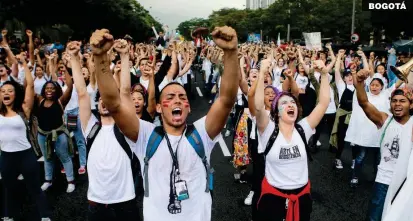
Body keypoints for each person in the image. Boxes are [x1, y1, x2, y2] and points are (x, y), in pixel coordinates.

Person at [90, 26, 239, 221]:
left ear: (189, 108)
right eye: (170, 97)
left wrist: (231, 52)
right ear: (159, 108)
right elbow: (114, 104)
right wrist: (101, 57)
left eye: (182, 97)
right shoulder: (145, 135)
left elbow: (226, 99)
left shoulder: (202, 133)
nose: (177, 100)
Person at [67, 40, 140, 221]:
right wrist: (75, 58)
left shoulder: (126, 128)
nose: (104, 102)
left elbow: (124, 91)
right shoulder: (91, 127)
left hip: (126, 201)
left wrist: (124, 56)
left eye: (108, 100)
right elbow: (82, 92)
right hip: (97, 202)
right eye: (100, 100)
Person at [254, 59, 331, 221]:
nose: (290, 105)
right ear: (275, 111)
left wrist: (324, 74)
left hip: (302, 198)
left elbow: (323, 103)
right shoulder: (267, 130)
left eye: (292, 102)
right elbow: (259, 107)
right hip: (273, 199)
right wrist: (261, 73)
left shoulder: (303, 128)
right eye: (284, 103)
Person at [353, 69, 413, 221]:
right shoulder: (384, 120)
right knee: (374, 218)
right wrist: (359, 83)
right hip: (383, 181)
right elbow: (364, 103)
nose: (397, 104)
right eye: (394, 101)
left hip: (406, 184)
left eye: (402, 101)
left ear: (411, 105)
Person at [0, 52, 52, 221]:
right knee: (8, 188)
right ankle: (8, 215)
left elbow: (30, 85)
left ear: (15, 94)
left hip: (25, 155)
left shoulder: (24, 110)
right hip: (6, 156)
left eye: (10, 91)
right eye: (3, 91)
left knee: (34, 187)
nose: (6, 93)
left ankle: (45, 216)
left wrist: (23, 62)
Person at [36, 54, 75, 193]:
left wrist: (65, 68)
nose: (49, 90)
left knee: (64, 157)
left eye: (52, 88)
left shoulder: (60, 101)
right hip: (42, 134)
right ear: (43, 90)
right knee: (47, 157)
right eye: (47, 88)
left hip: (58, 134)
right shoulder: (39, 100)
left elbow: (70, 86)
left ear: (57, 90)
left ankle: (70, 181)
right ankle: (48, 180)